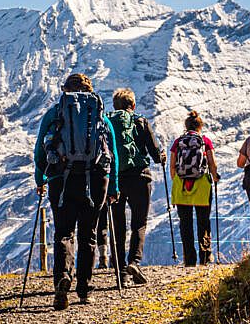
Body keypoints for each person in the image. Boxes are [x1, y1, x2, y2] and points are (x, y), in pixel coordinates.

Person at [33, 73, 119, 309]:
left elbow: (40, 149)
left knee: (63, 232)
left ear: (65, 91)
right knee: (88, 234)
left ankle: (63, 278)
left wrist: (40, 178)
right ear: (89, 90)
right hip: (96, 179)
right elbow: (113, 153)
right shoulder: (99, 113)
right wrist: (114, 186)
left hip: (61, 179)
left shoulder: (55, 112)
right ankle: (85, 290)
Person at [105, 87, 166, 285]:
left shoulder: (107, 123)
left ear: (114, 106)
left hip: (115, 179)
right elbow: (156, 155)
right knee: (139, 222)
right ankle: (134, 261)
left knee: (117, 224)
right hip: (140, 177)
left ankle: (120, 272)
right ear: (133, 105)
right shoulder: (140, 121)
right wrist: (162, 156)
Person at [169, 111, 219, 266]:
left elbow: (172, 167)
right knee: (204, 221)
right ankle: (205, 257)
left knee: (185, 223)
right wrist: (215, 177)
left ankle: (189, 259)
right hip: (202, 185)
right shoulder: (205, 141)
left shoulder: (178, 142)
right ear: (200, 126)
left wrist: (178, 180)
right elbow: (212, 163)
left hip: (182, 185)